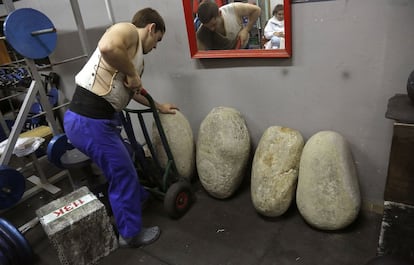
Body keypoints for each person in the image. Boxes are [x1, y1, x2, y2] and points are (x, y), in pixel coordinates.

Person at [63, 7, 178, 248]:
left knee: (128, 154)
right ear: (151, 28)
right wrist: (132, 73)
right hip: (89, 121)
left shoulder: (136, 60)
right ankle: (131, 234)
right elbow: (107, 48)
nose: (156, 47)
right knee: (122, 173)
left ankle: (138, 198)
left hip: (99, 121)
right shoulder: (127, 30)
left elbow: (134, 91)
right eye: (157, 40)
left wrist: (159, 106)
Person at [196, 1, 261, 50]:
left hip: (242, 48)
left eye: (214, 24)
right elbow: (200, 56)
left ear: (220, 13)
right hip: (221, 58)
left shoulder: (233, 9)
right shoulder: (202, 32)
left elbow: (257, 10)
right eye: (208, 27)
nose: (212, 29)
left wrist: (246, 29)